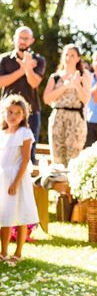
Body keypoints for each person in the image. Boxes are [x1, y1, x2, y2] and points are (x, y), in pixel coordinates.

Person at [0, 95, 38, 265]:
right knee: (5, 215)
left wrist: (15, 182)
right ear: (4, 114)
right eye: (9, 112)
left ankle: (18, 252)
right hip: (3, 178)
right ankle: (3, 251)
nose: (13, 116)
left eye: (17, 113)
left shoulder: (25, 132)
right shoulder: (2, 133)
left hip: (17, 179)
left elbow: (25, 159)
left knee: (20, 214)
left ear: (23, 116)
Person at [0, 27, 46, 163]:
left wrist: (29, 68)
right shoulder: (4, 59)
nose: (22, 41)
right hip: (6, 112)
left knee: (29, 154)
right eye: (20, 37)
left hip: (31, 113)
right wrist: (24, 69)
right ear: (14, 39)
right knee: (4, 150)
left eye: (26, 38)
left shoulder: (39, 60)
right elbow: (1, 82)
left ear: (32, 40)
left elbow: (34, 83)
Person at [42, 45, 91, 166]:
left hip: (76, 119)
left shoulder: (83, 76)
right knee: (57, 157)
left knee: (73, 158)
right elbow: (46, 99)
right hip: (58, 118)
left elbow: (85, 99)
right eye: (66, 55)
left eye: (72, 55)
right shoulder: (55, 77)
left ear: (78, 58)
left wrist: (76, 85)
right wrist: (65, 86)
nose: (68, 58)